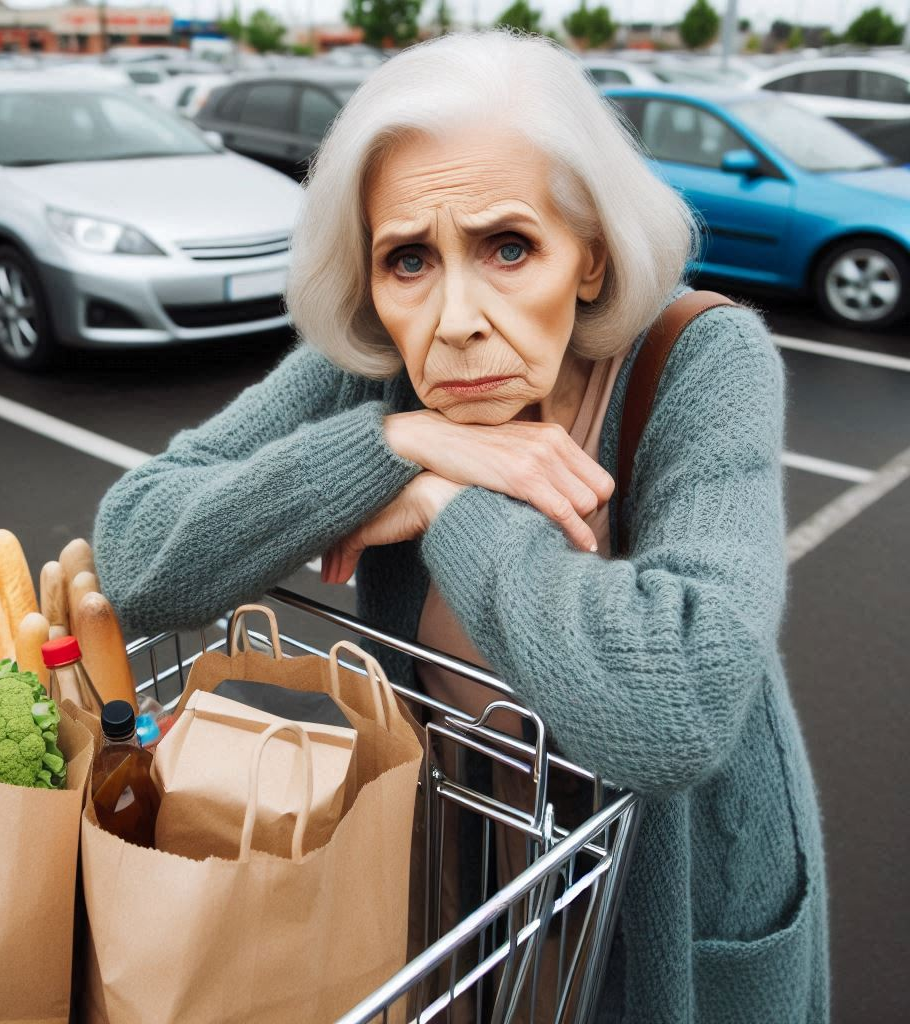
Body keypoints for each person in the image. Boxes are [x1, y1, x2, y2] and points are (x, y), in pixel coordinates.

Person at [92, 29, 829, 1024]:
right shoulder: (379, 373)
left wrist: (451, 501)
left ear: (591, 254)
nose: (455, 319)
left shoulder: (699, 362)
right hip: (481, 862)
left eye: (508, 246)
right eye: (407, 260)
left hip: (681, 894)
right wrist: (390, 444)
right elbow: (135, 548)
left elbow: (677, 704)